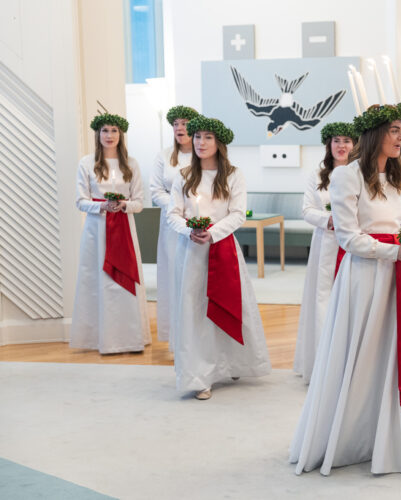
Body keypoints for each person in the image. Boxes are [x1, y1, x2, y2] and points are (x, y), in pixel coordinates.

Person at [289, 104, 401, 478]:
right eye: (395, 130)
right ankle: (355, 436)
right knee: (364, 356)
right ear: (374, 134)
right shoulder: (347, 177)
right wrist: (392, 250)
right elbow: (349, 238)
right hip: (365, 277)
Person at [167, 116, 271, 400]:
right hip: (191, 252)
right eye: (197, 137)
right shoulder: (183, 175)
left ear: (219, 143)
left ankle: (232, 361)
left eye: (207, 137)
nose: (200, 142)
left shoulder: (233, 175)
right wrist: (190, 230)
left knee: (228, 302)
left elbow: (238, 214)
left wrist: (213, 233)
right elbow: (173, 213)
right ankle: (200, 375)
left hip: (223, 248)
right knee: (196, 310)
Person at [71, 113, 150, 353]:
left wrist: (124, 205)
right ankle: (99, 337)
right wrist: (101, 206)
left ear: (121, 135)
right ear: (98, 134)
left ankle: (130, 337)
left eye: (114, 131)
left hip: (124, 228)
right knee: (98, 279)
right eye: (105, 131)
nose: (110, 136)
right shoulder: (86, 163)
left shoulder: (131, 164)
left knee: (125, 278)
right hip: (97, 230)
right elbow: (81, 201)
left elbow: (139, 201)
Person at [293, 122, 357, 383]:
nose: (341, 146)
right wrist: (328, 220)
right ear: (329, 145)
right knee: (322, 298)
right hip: (325, 243)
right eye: (336, 141)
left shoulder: (359, 173)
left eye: (347, 141)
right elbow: (307, 209)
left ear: (355, 145)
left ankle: (346, 363)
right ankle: (321, 363)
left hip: (351, 244)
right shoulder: (319, 174)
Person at [150, 105, 200, 348]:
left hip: (198, 219)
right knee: (173, 272)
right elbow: (155, 190)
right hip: (172, 222)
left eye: (185, 123)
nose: (180, 128)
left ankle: (197, 333)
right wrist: (175, 206)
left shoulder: (202, 153)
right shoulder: (164, 155)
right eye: (175, 124)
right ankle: (175, 337)